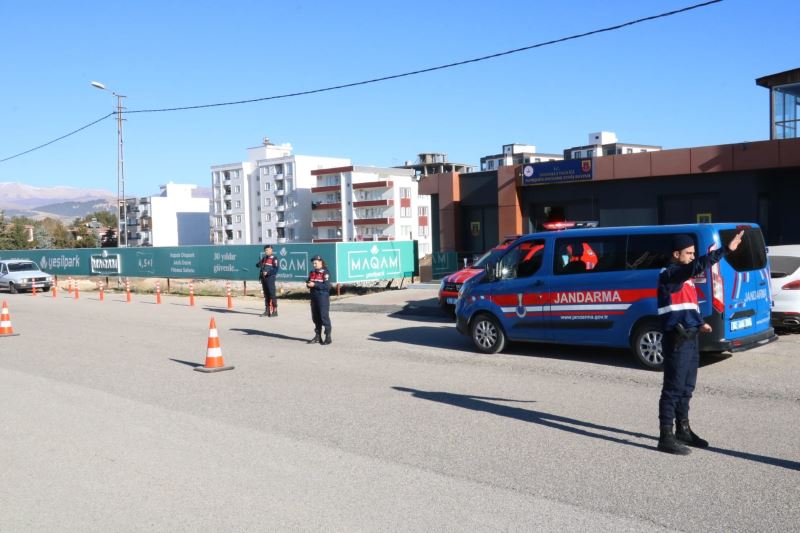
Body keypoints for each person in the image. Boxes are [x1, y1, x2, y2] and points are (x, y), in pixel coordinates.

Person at [656, 229, 743, 455]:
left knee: (687, 388)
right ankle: (665, 436)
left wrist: (699, 322)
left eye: (694, 253)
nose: (693, 257)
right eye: (689, 253)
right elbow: (697, 266)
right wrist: (725, 250)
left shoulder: (684, 279)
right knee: (673, 389)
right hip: (677, 338)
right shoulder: (670, 273)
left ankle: (683, 430)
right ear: (676, 254)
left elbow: (685, 305)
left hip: (690, 336)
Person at [306, 255, 332, 345]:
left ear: (320, 262)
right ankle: (317, 336)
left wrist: (315, 285)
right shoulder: (312, 272)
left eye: (316, 262)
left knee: (324, 317)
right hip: (314, 297)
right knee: (315, 317)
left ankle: (328, 337)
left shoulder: (325, 272)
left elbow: (327, 286)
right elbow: (310, 282)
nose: (314, 264)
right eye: (313, 263)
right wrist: (308, 284)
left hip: (322, 297)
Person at [256, 245, 279, 317]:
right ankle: (267, 311)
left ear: (271, 250)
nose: (267, 251)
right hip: (263, 279)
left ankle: (275, 311)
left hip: (270, 278)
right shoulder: (264, 258)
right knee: (266, 295)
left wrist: (268, 273)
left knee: (272, 294)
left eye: (268, 250)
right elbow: (257, 265)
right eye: (265, 250)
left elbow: (276, 269)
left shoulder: (274, 258)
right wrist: (259, 264)